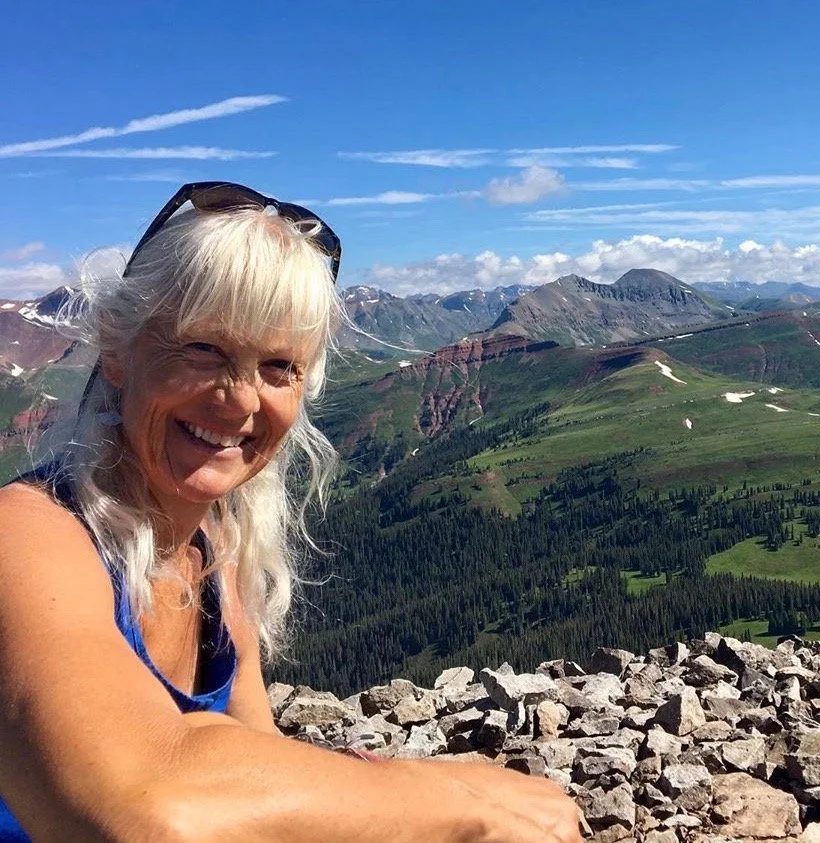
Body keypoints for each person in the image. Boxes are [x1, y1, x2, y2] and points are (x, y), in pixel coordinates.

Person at [0, 182, 582, 842]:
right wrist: (444, 796)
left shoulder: (213, 561)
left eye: (278, 367)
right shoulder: (27, 537)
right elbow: (144, 816)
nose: (240, 400)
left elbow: (256, 789)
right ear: (116, 347)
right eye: (203, 349)